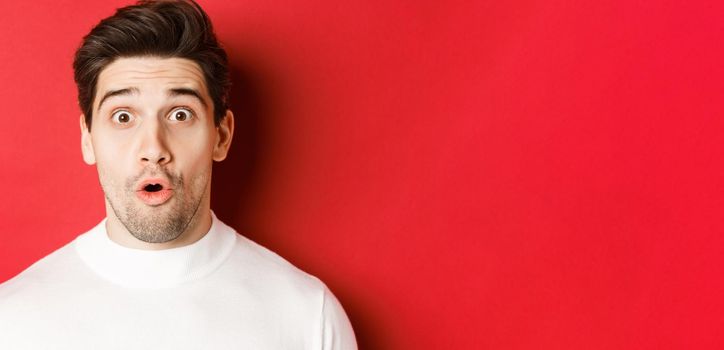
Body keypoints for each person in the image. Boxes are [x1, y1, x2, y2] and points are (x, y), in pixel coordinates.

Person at [0, 1, 357, 349]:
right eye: (123, 116)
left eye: (180, 114)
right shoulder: (13, 320)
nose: (153, 148)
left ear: (221, 136)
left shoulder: (308, 317)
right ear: (88, 140)